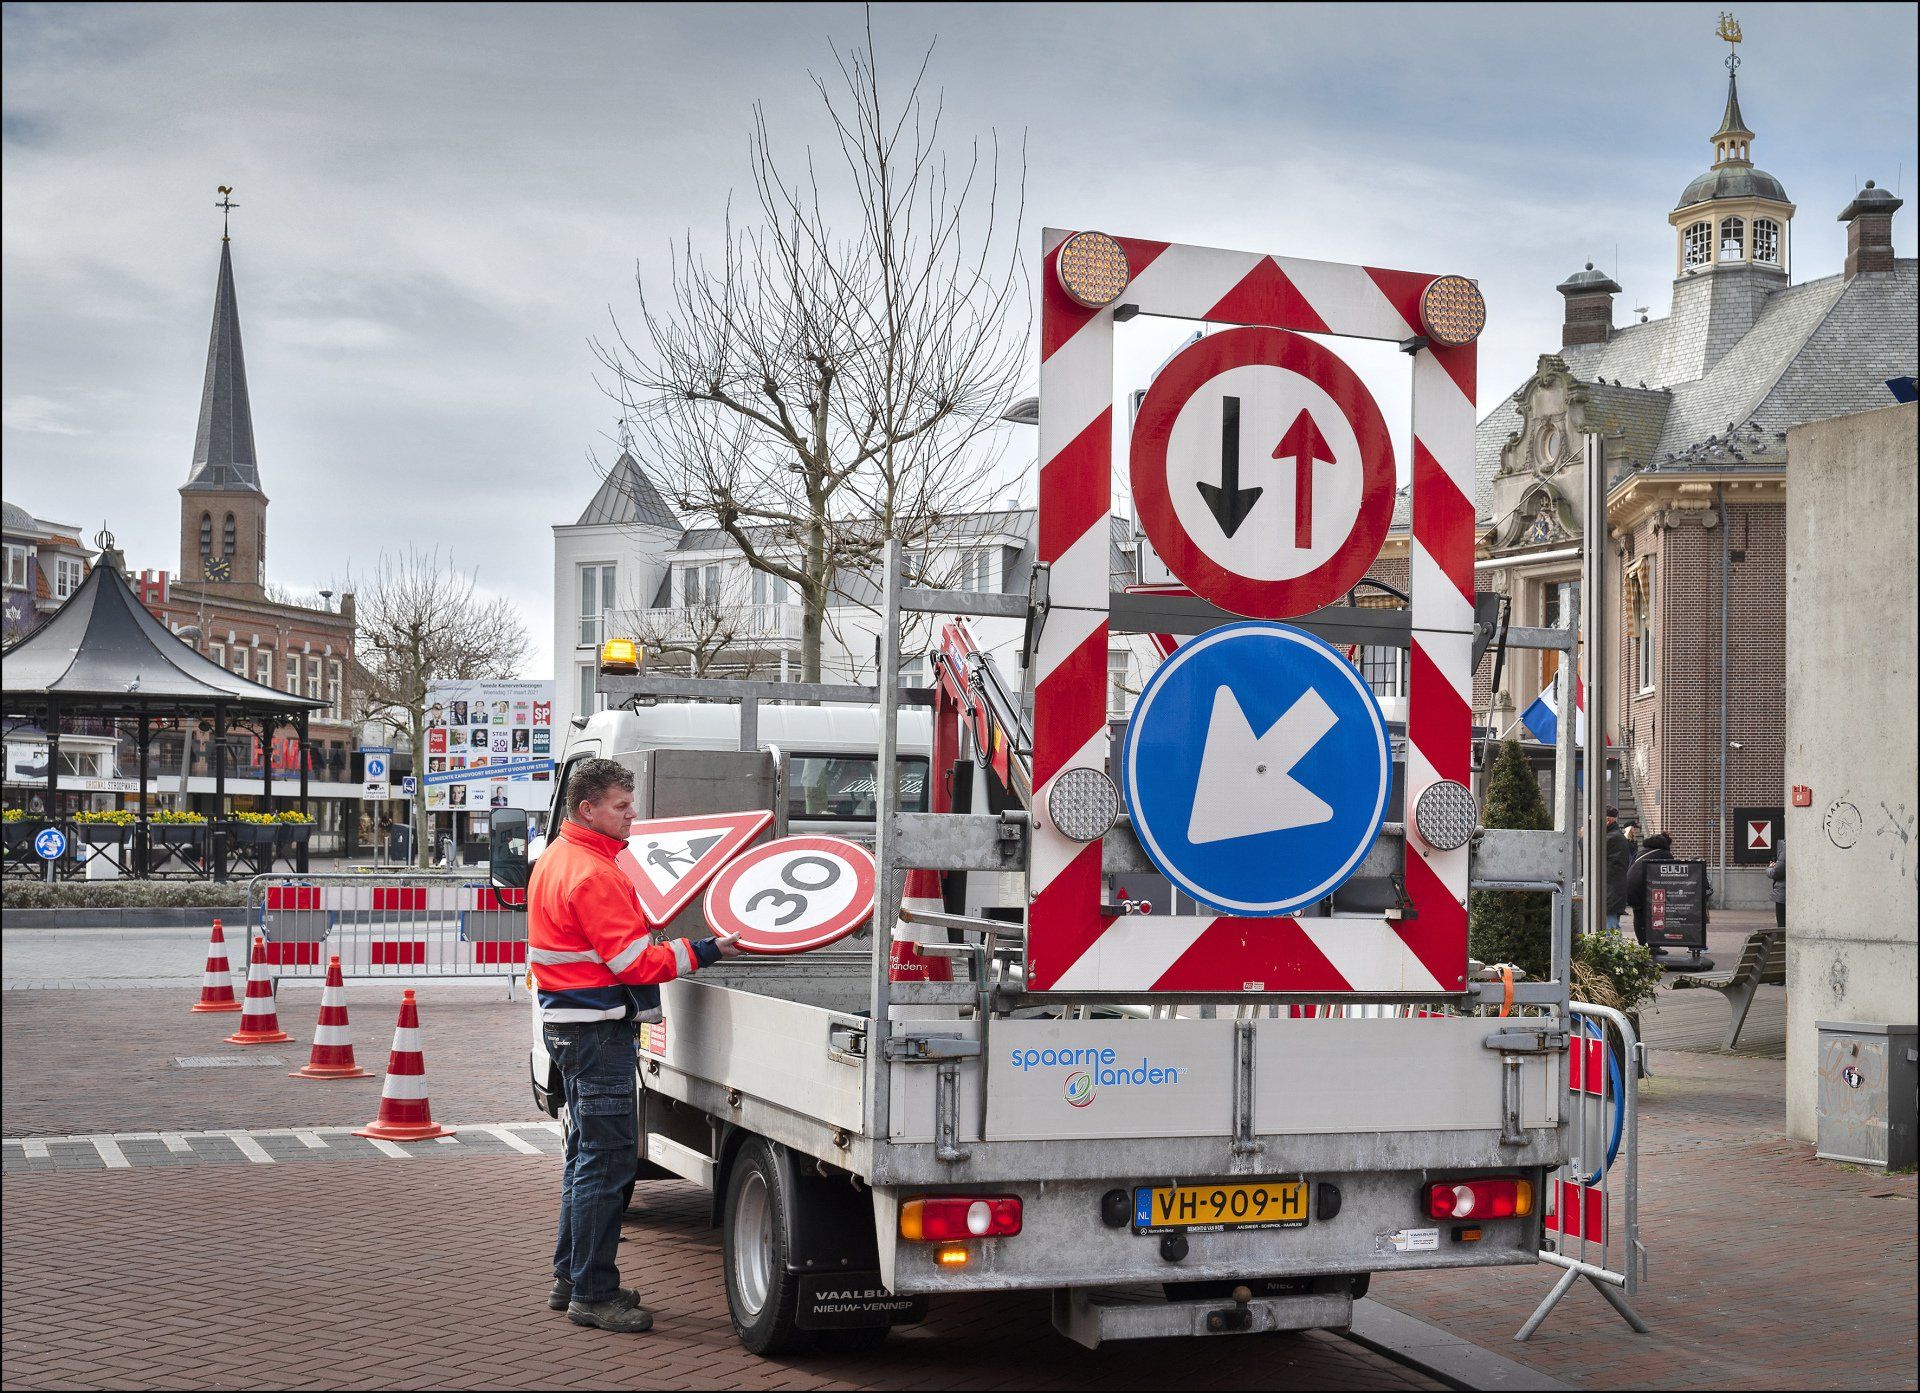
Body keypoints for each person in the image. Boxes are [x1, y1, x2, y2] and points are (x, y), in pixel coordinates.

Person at [529, 757, 742, 1334]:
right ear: (587, 809)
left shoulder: (557, 859)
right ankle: (593, 1294)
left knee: (584, 1156)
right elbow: (634, 961)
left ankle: (571, 1277)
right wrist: (706, 950)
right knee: (607, 1163)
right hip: (597, 1030)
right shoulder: (595, 874)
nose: (633, 815)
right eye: (622, 806)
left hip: (571, 1026)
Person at [1603, 806, 1632, 934]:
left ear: (1608, 820)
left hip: (1610, 890)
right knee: (1611, 925)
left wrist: (1583, 839)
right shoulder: (1615, 836)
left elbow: (1591, 853)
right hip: (1612, 890)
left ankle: (1615, 953)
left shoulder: (1611, 838)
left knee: (1610, 928)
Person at [1768, 840, 1786, 929]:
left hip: (1783, 894)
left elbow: (1777, 872)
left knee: (1782, 926)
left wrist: (1769, 869)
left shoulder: (1787, 847)